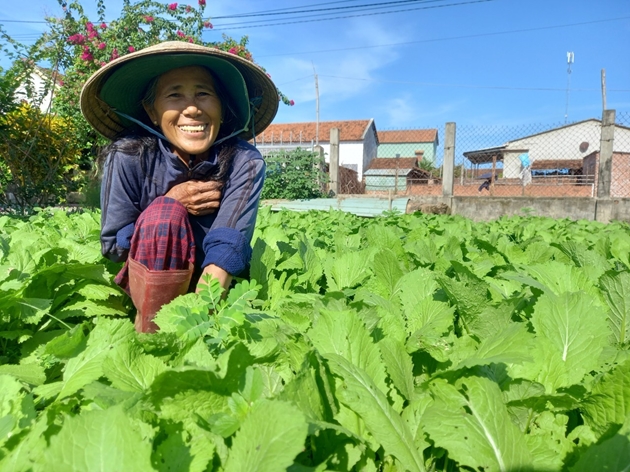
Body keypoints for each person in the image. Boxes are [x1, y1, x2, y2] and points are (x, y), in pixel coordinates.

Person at [80, 41, 278, 332]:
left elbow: (227, 246)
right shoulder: (128, 156)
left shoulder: (243, 160)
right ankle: (149, 328)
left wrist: (198, 323)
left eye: (203, 93)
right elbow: (113, 246)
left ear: (223, 109)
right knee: (165, 215)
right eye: (174, 95)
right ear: (151, 111)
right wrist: (169, 203)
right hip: (147, 279)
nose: (192, 108)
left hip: (211, 286)